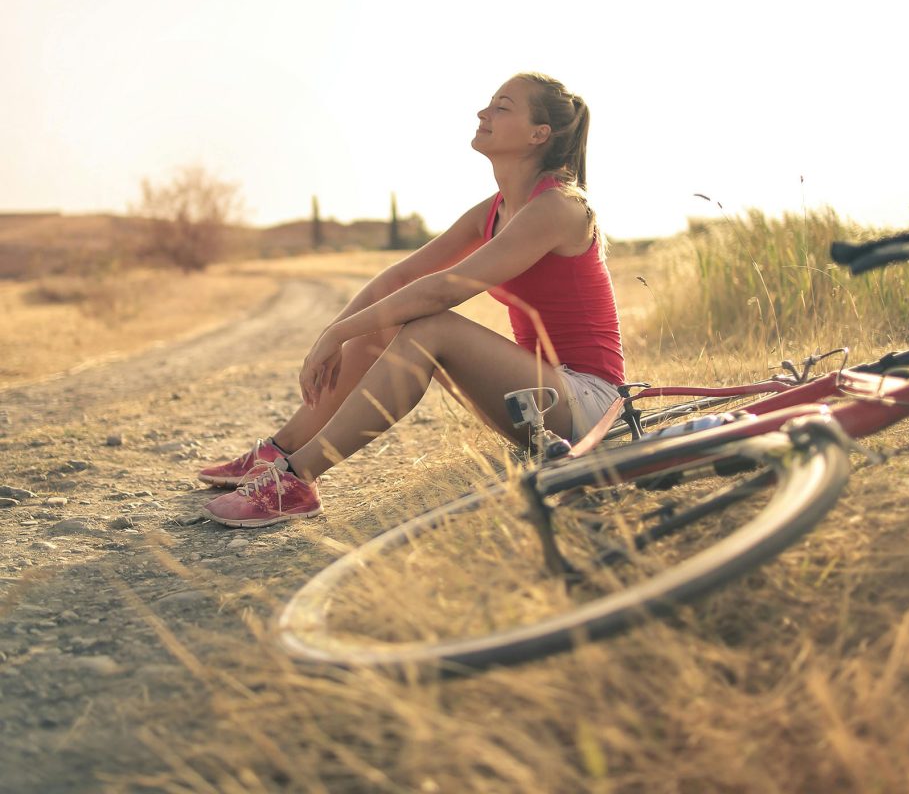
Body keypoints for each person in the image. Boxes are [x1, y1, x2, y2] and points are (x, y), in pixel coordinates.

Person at [200, 72, 624, 527]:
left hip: (590, 406)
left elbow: (445, 288)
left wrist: (339, 334)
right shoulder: (495, 210)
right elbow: (402, 276)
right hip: (536, 402)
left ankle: (297, 479)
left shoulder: (559, 207)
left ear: (539, 134)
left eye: (502, 107)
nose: (483, 113)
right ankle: (279, 451)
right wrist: (334, 334)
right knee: (386, 317)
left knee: (431, 326)